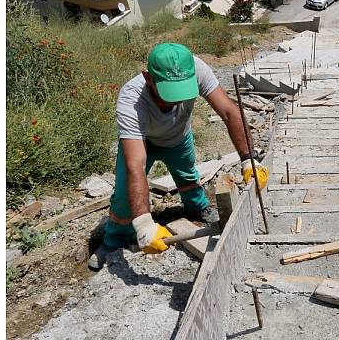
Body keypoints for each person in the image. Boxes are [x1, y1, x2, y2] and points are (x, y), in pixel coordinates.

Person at [89, 43, 269, 270]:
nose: (175, 101)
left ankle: (196, 208)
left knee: (187, 175)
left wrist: (247, 159)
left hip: (178, 137)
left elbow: (229, 111)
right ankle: (113, 241)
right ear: (148, 78)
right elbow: (136, 165)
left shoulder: (196, 68)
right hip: (143, 142)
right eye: (168, 94)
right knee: (125, 192)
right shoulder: (131, 99)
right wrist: (144, 225)